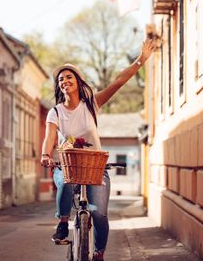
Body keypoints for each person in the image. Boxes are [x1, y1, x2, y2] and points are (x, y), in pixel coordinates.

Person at [41, 38, 157, 261]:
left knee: (99, 213)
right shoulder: (55, 112)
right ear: (59, 86)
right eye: (61, 79)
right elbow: (49, 137)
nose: (65, 80)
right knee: (65, 181)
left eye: (69, 77)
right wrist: (46, 155)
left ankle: (98, 253)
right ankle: (63, 223)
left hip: (96, 167)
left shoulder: (91, 104)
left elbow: (118, 82)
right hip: (67, 165)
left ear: (78, 81)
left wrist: (140, 60)